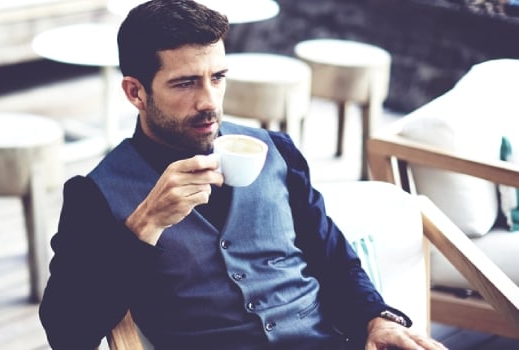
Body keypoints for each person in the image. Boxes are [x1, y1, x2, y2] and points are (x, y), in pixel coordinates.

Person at [39, 0, 448, 349]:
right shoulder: (95, 193)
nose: (209, 102)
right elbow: (67, 333)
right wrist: (144, 226)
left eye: (217, 78)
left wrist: (376, 318)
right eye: (184, 84)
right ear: (135, 92)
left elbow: (333, 258)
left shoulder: (276, 150)